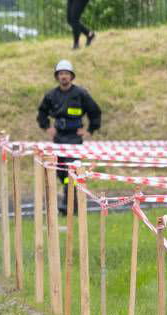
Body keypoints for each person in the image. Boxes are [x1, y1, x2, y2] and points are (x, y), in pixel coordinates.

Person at [36, 60, 101, 214]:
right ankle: (71, 201)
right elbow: (42, 113)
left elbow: (95, 111)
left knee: (71, 171)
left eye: (66, 73)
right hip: (58, 139)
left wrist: (90, 130)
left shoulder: (80, 94)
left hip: (74, 139)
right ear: (57, 76)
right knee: (61, 172)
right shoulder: (51, 95)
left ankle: (69, 205)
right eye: (61, 74)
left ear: (71, 76)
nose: (63, 76)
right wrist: (47, 127)